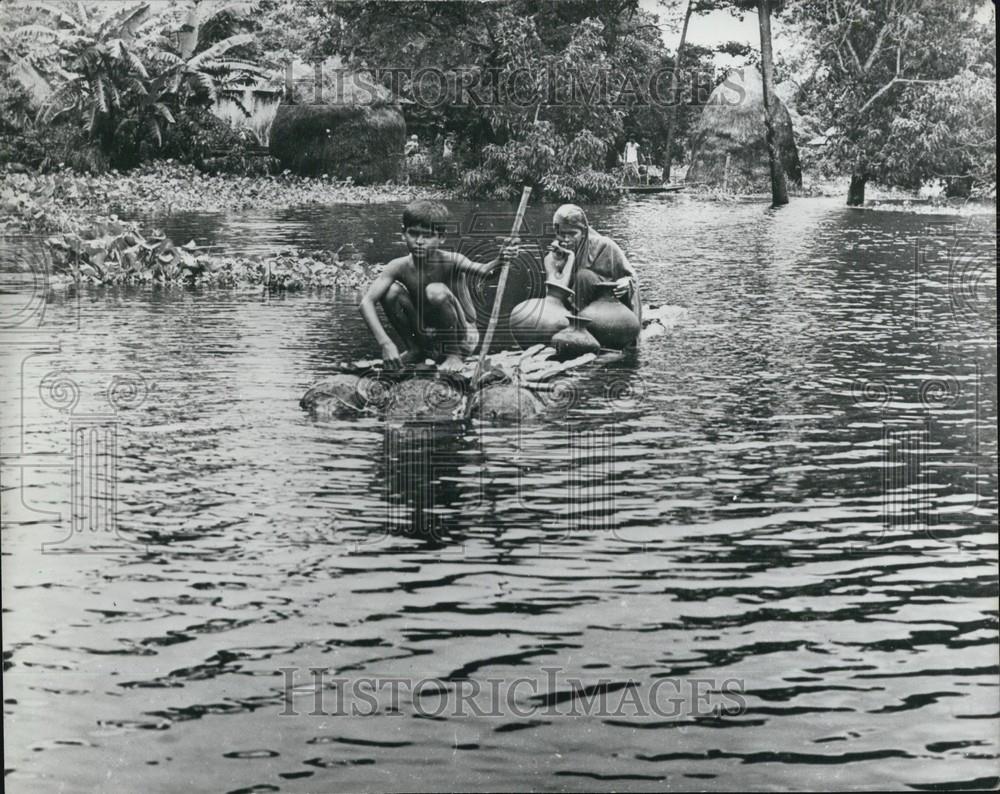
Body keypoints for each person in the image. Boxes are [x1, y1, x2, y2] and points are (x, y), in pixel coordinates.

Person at [359, 200, 516, 373]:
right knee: (390, 292)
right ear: (403, 234)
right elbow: (366, 302)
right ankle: (415, 350)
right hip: (427, 336)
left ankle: (453, 354)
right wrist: (386, 343)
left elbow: (486, 272)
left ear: (441, 237)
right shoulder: (398, 266)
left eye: (427, 236)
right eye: (413, 234)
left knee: (435, 291)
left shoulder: (452, 259)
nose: (419, 241)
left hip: (463, 337)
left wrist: (500, 261)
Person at [546, 204, 637, 315]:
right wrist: (563, 261)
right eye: (561, 234)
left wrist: (626, 282)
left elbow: (632, 277)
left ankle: (577, 320)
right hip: (571, 304)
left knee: (584, 276)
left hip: (606, 307)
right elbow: (554, 289)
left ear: (584, 232)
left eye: (572, 234)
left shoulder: (604, 245)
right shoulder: (556, 253)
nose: (566, 239)